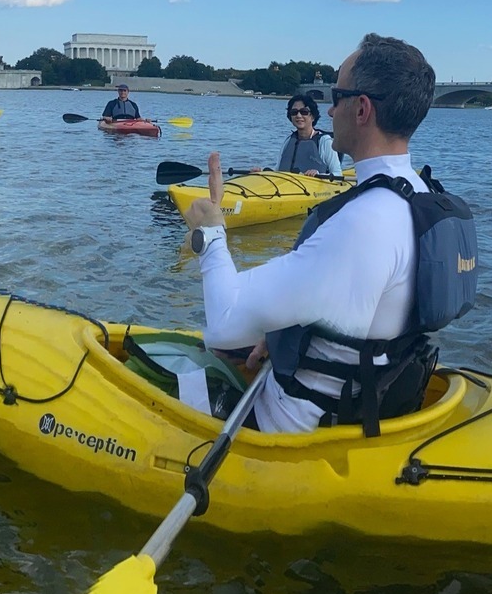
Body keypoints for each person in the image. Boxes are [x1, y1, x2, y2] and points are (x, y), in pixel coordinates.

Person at [184, 33, 476, 436]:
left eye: (336, 95)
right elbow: (368, 309)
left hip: (292, 426)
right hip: (366, 398)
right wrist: (282, 331)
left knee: (175, 372)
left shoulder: (365, 220)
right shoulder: (423, 195)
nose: (327, 108)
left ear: (361, 109)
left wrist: (210, 232)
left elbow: (224, 323)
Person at [265, 94, 340, 176]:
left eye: (304, 112)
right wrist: (261, 172)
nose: (298, 116)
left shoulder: (325, 142)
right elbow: (277, 170)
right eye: (294, 112)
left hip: (316, 186)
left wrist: (318, 174)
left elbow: (338, 174)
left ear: (313, 116)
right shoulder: (288, 141)